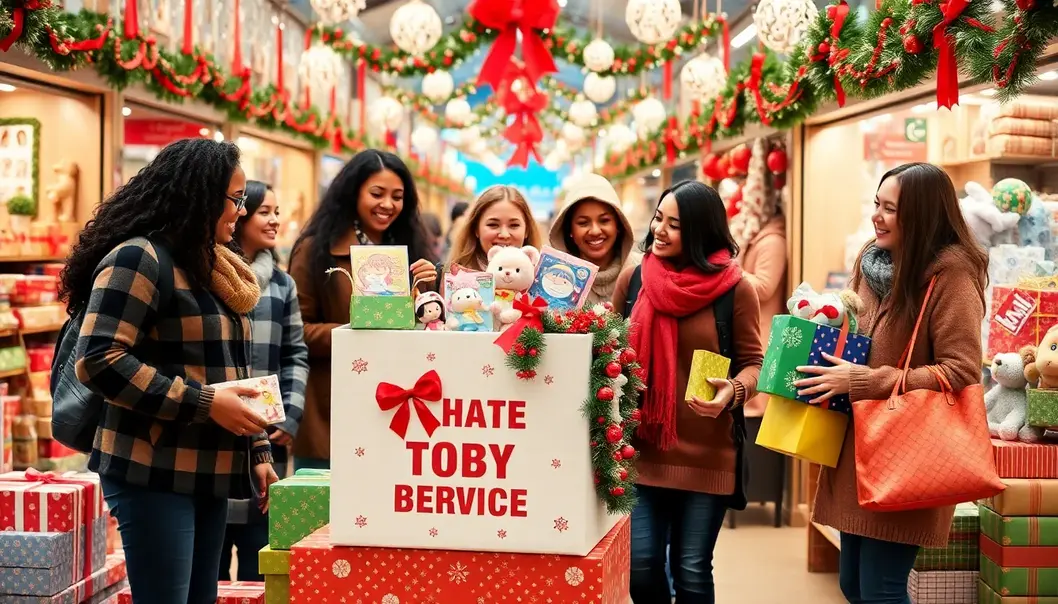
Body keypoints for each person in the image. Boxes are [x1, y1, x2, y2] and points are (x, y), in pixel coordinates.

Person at [59, 138, 278, 604]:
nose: (241, 210)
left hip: (209, 468)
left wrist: (258, 449)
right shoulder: (139, 257)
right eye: (235, 199)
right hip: (151, 466)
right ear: (199, 195)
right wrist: (203, 402)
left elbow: (232, 367)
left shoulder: (213, 265)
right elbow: (99, 359)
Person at [796, 162, 987, 604]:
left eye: (890, 209)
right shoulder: (871, 260)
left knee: (881, 590)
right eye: (876, 205)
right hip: (854, 451)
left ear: (920, 215)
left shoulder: (951, 274)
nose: (876, 217)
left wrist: (863, 381)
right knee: (853, 585)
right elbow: (857, 332)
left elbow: (960, 371)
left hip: (906, 451)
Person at [612, 180, 763, 604]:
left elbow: (755, 363)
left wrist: (732, 391)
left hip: (707, 453)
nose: (659, 230)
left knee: (691, 570)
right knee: (640, 565)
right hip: (642, 450)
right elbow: (611, 346)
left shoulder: (736, 289)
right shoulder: (636, 278)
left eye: (674, 224)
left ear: (700, 231)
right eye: (659, 218)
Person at [288, 150, 436, 471]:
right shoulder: (315, 250)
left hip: (397, 405)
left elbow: (427, 330)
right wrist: (359, 329)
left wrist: (428, 290)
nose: (388, 205)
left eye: (397, 196)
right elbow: (297, 331)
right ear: (353, 192)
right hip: (333, 409)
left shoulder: (412, 250)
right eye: (376, 193)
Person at [219, 181, 309, 581]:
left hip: (268, 434)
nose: (275, 220)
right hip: (218, 426)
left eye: (277, 211)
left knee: (264, 550)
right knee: (213, 558)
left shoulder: (282, 284)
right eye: (264, 212)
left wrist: (290, 416)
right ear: (239, 216)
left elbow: (295, 354)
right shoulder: (215, 275)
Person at [548, 173, 635, 305]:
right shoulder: (553, 279)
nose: (595, 231)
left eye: (604, 220)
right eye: (583, 223)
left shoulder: (642, 271)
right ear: (569, 230)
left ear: (618, 224)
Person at [447, 185, 542, 272]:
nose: (504, 234)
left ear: (527, 230)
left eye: (514, 225)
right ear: (476, 229)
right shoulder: (451, 278)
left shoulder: (544, 282)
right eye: (493, 225)